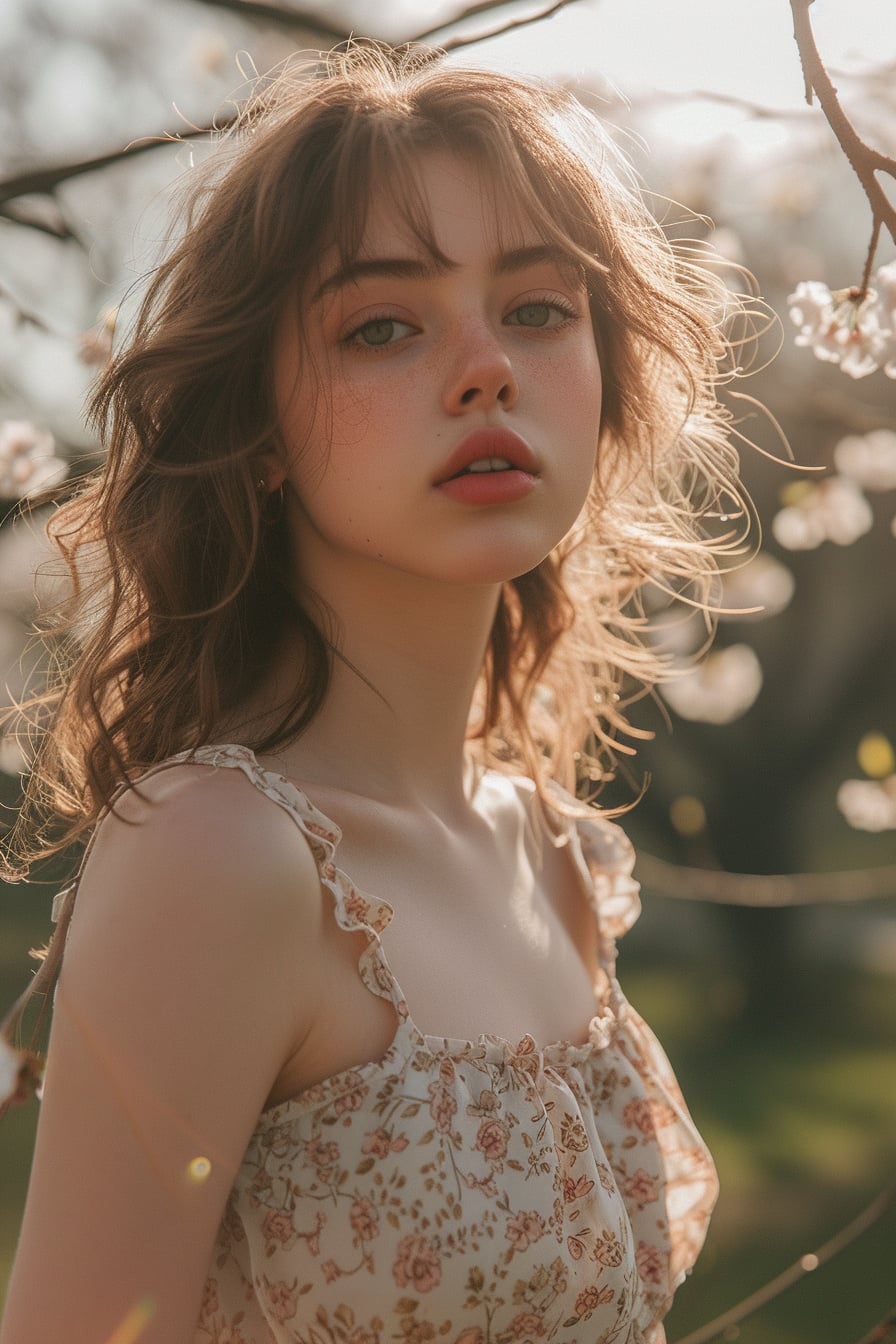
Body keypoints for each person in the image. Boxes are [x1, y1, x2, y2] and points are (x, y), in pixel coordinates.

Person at [0, 40, 750, 1344]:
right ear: (259, 429)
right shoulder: (216, 849)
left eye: (536, 309)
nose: (484, 368)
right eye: (383, 325)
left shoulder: (557, 854)